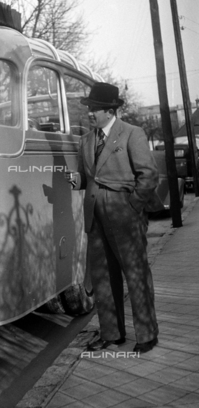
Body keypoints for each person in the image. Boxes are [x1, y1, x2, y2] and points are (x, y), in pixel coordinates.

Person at [65, 82, 161, 354]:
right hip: (95, 214)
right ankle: (112, 334)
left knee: (136, 274)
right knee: (103, 278)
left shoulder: (132, 133)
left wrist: (133, 205)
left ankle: (146, 335)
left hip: (125, 214)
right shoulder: (86, 140)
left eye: (94, 109)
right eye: (89, 109)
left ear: (109, 110)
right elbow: (89, 177)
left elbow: (149, 175)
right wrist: (77, 180)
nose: (90, 114)